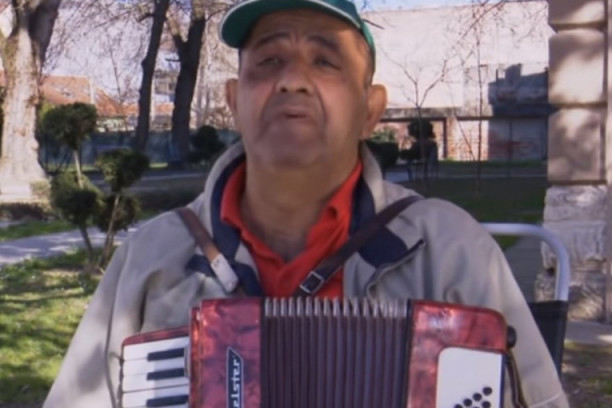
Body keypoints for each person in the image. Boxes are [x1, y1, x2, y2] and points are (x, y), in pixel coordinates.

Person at [43, 0, 568, 407]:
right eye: (269, 60)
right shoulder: (151, 259)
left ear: (370, 110)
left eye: (325, 61)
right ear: (234, 102)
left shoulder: (454, 252)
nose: (292, 80)